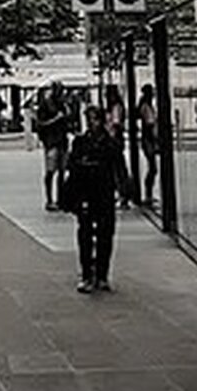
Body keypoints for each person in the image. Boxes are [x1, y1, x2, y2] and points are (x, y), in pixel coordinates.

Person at [64, 103, 119, 292]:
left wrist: (123, 187)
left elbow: (118, 166)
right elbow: (72, 165)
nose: (91, 123)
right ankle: (87, 273)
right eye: (88, 119)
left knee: (105, 233)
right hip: (86, 191)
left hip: (104, 191)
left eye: (94, 119)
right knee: (85, 233)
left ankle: (102, 274)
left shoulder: (110, 143)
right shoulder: (80, 142)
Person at [34, 82, 70, 210]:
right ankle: (49, 199)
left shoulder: (62, 105)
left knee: (62, 171)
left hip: (62, 141)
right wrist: (56, 119)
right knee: (51, 171)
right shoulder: (46, 105)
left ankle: (60, 199)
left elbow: (68, 120)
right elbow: (40, 123)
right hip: (52, 141)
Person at [103, 82, 131, 205]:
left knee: (118, 168)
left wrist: (109, 132)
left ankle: (123, 193)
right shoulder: (114, 107)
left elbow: (116, 124)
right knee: (116, 168)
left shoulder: (116, 107)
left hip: (114, 141)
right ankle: (120, 192)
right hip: (114, 140)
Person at [135, 82, 158, 207]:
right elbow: (150, 123)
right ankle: (148, 194)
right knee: (153, 168)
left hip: (148, 139)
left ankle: (149, 194)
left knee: (153, 168)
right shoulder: (146, 107)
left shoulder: (146, 106)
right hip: (148, 139)